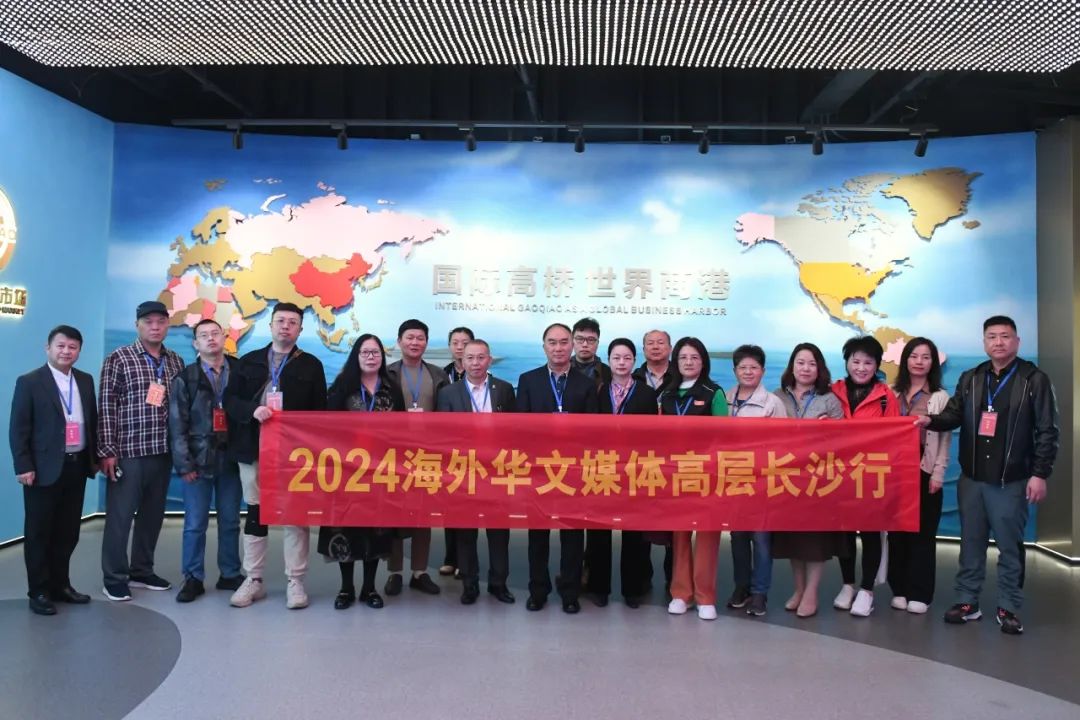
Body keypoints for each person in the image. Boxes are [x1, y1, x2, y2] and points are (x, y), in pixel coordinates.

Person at [915, 316, 1058, 635]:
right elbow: (953, 415)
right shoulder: (972, 377)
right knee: (971, 543)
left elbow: (1048, 430)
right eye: (992, 336)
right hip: (972, 479)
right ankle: (967, 601)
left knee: (1010, 546)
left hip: (1012, 480)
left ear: (1017, 342)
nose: (998, 342)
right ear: (984, 343)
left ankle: (1009, 606)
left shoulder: (1034, 379)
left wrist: (1039, 474)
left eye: (1005, 336)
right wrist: (929, 421)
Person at [224, 302, 327, 609]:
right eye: (280, 320)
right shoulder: (249, 361)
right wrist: (251, 410)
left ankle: (296, 581)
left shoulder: (311, 365)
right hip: (252, 447)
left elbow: (320, 412)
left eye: (292, 322)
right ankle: (253, 579)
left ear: (300, 330)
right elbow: (230, 400)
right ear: (270, 325)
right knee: (256, 511)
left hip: (294, 455)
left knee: (295, 514)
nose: (286, 326)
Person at [98, 301, 185, 601]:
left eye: (161, 321)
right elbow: (107, 405)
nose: (155, 327)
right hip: (128, 452)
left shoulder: (175, 361)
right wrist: (107, 450)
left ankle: (141, 570)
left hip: (162, 451)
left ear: (167, 325)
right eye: (148, 322)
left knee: (152, 516)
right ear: (137, 325)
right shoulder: (119, 358)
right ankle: (114, 577)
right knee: (120, 518)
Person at [9, 325, 97, 615]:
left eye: (73, 347)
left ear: (79, 351)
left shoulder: (85, 380)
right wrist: (24, 465)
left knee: (68, 532)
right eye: (61, 346)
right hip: (42, 469)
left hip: (76, 465)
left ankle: (61, 585)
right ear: (48, 348)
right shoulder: (30, 382)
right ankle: (39, 591)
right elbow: (19, 428)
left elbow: (92, 421)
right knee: (39, 533)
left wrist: (94, 459)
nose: (66, 351)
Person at [516, 322, 599, 613]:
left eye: (564, 342)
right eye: (552, 342)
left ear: (572, 346)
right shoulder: (528, 380)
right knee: (537, 535)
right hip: (539, 470)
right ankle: (537, 591)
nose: (559, 348)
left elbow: (593, 431)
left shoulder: (586, 384)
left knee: (572, 535)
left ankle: (570, 593)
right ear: (544, 347)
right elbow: (520, 427)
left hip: (573, 471)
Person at [318, 334, 402, 610]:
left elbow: (402, 430)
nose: (370, 357)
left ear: (382, 356)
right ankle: (346, 588)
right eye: (365, 352)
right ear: (356, 356)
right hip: (346, 471)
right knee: (346, 528)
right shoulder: (342, 387)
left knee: (376, 530)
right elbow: (327, 428)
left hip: (380, 471)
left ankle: (369, 588)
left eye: (375, 352)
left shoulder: (392, 388)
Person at [436, 338, 517, 605]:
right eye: (470, 358)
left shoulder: (504, 389)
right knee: (465, 531)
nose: (475, 363)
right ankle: (469, 584)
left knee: (499, 531)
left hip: (497, 470)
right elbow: (443, 435)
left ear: (489, 360)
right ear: (462, 361)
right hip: (464, 471)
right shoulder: (448, 393)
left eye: (481, 357)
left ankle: (498, 583)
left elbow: (515, 430)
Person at [168, 319, 243, 603]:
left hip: (232, 459)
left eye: (215, 333)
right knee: (195, 523)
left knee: (230, 521)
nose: (210, 338)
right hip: (197, 461)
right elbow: (177, 424)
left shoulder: (240, 372)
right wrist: (184, 464)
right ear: (195, 344)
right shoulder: (185, 378)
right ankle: (193, 577)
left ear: (224, 338)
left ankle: (230, 573)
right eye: (203, 335)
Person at [771, 342, 846, 618]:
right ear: (792, 366)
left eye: (811, 364)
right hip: (787, 477)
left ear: (819, 368)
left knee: (815, 540)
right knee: (793, 539)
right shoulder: (777, 396)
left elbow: (845, 440)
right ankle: (799, 589)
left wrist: (830, 430)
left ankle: (812, 592)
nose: (805, 368)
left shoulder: (830, 399)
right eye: (800, 363)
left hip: (819, 478)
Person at [830, 335, 900, 617]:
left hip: (872, 475)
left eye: (868, 362)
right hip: (838, 475)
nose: (860, 368)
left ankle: (867, 589)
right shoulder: (832, 391)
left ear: (877, 365)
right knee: (844, 533)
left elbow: (895, 439)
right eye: (855, 361)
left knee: (871, 533)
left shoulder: (885, 397)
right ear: (847, 362)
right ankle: (847, 584)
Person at [659, 336, 728, 621]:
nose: (688, 362)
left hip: (707, 473)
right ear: (676, 361)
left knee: (708, 536)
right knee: (680, 535)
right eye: (683, 357)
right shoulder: (667, 394)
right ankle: (681, 593)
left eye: (694, 357)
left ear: (703, 362)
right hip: (675, 473)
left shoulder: (714, 393)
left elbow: (724, 437)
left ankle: (705, 596)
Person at [590, 337, 658, 609]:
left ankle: (633, 589)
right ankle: (599, 588)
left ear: (634, 361)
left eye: (627, 358)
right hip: (601, 468)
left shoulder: (646, 394)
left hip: (634, 469)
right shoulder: (597, 391)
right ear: (608, 361)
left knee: (634, 532)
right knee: (599, 531)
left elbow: (652, 435)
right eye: (616, 358)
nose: (621, 362)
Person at [384, 319, 449, 596]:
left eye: (420, 338)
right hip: (393, 454)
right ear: (399, 341)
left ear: (426, 342)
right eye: (409, 337)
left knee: (424, 513)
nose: (414, 342)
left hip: (427, 454)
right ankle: (395, 572)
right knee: (394, 513)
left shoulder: (438, 374)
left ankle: (419, 572)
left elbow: (447, 415)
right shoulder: (387, 373)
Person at [888, 337, 951, 615]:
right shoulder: (891, 392)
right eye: (914, 356)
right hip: (894, 472)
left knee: (923, 533)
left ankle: (921, 593)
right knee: (897, 533)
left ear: (933, 363)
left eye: (926, 357)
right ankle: (899, 589)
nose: (919, 362)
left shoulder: (940, 397)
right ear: (905, 360)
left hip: (924, 469)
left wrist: (938, 473)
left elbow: (944, 439)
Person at [725, 345, 786, 617]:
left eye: (753, 367)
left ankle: (760, 592)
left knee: (761, 539)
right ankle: (742, 587)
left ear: (762, 370)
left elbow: (783, 445)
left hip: (762, 480)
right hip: (732, 479)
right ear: (735, 370)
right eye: (742, 367)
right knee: (737, 537)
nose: (748, 372)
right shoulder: (725, 398)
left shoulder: (772, 403)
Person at [439, 326, 474, 577]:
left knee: (469, 509)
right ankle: (450, 557)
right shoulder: (441, 375)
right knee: (449, 507)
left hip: (476, 453)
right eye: (455, 342)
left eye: (465, 342)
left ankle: (466, 561)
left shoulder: (484, 376)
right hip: (448, 451)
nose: (460, 347)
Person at [570, 317, 612, 387]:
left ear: (597, 343)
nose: (585, 344)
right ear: (572, 341)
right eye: (580, 339)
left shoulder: (608, 373)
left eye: (591, 340)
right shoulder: (561, 369)